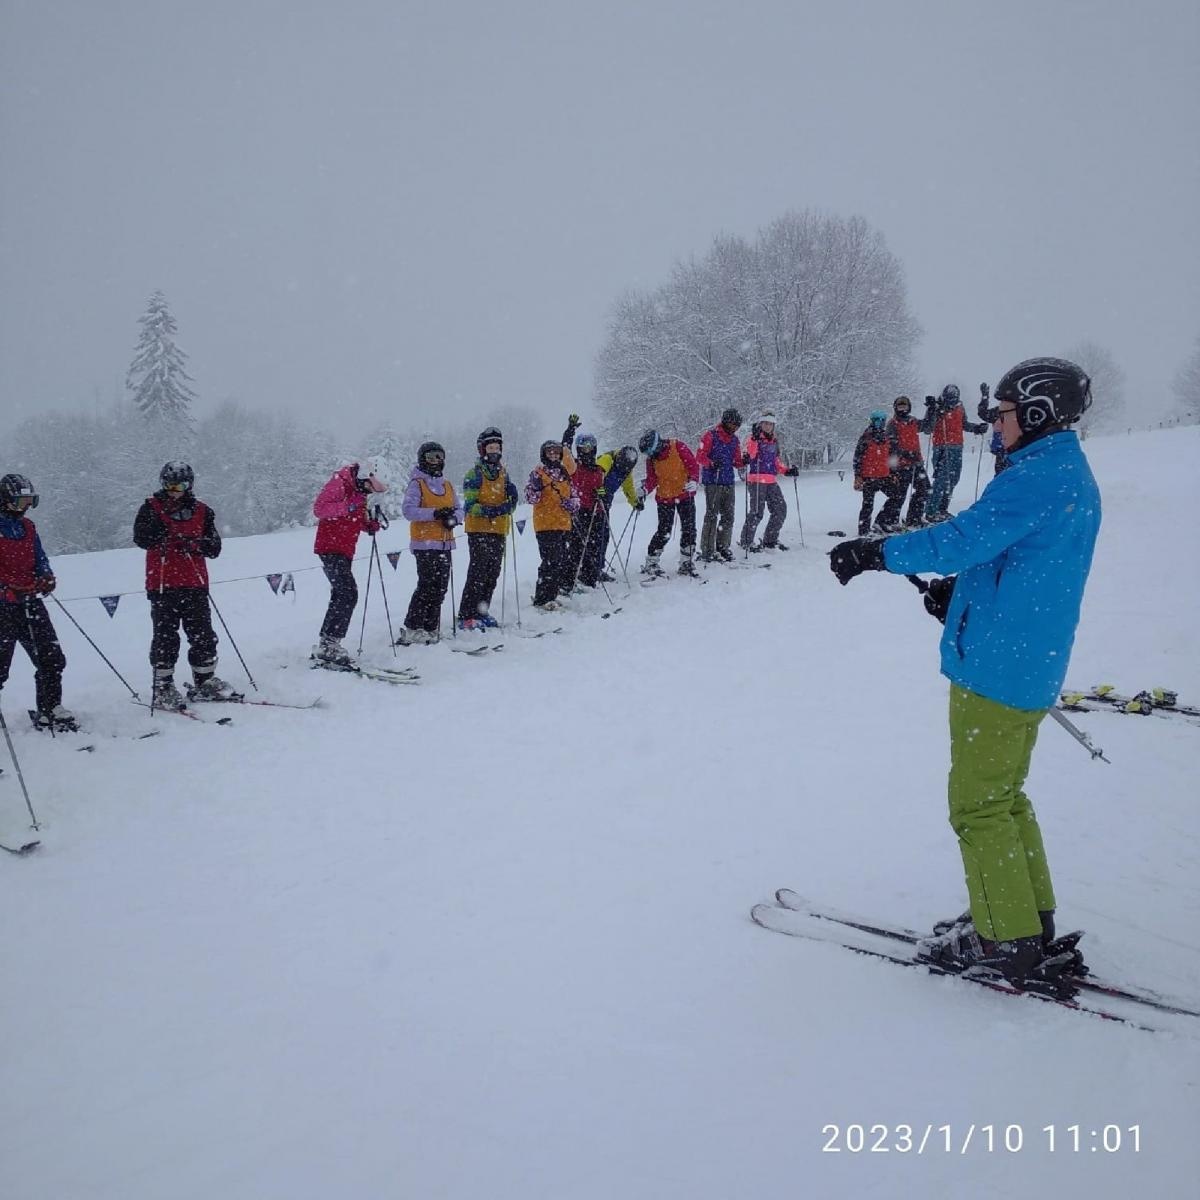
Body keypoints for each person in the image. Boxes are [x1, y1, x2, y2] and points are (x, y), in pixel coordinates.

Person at [828, 358, 1099, 996]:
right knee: (1005, 797)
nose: (993, 426)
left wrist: (877, 552)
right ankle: (1023, 918)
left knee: (977, 805)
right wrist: (963, 595)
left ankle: (1004, 938)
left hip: (999, 670)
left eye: (1002, 414)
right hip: (1024, 656)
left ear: (1035, 414)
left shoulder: (1034, 479)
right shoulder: (1061, 473)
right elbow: (1021, 562)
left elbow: (964, 538)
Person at [133, 461, 234, 707]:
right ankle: (163, 686)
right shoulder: (151, 508)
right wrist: (163, 536)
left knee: (203, 635)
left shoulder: (203, 511)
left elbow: (215, 547)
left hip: (194, 582)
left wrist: (197, 544)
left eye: (180, 485)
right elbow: (141, 538)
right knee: (165, 636)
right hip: (162, 584)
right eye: (170, 484)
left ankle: (205, 680)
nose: (175, 490)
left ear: (189, 485)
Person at [0, 474, 73, 731]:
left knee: (50, 656)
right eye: (20, 501)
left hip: (30, 601)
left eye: (29, 501)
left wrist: (46, 575)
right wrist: (6, 587)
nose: (26, 506)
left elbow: (38, 555)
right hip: (3, 606)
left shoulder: (28, 527)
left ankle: (50, 707)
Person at [310, 461, 385, 668]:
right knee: (348, 593)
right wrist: (348, 505)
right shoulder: (340, 484)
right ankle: (329, 644)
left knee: (341, 593)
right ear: (362, 479)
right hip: (329, 547)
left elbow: (355, 519)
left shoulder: (359, 493)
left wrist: (369, 525)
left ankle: (327, 642)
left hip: (344, 549)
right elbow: (319, 509)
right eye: (370, 486)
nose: (370, 491)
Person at [398, 442, 463, 644]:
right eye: (431, 457)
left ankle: (430, 626)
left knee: (441, 587)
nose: (436, 461)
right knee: (427, 585)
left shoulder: (448, 485)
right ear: (422, 459)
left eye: (439, 456)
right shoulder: (417, 484)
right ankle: (413, 627)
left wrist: (454, 518)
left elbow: (460, 509)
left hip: (445, 543)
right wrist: (434, 513)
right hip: (424, 543)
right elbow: (409, 511)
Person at [458, 427, 519, 630]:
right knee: (478, 571)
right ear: (482, 450)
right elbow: (470, 505)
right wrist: (491, 510)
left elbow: (510, 501)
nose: (494, 451)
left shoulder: (503, 472)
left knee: (493, 572)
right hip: (479, 529)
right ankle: (467, 614)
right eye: (490, 447)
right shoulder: (474, 474)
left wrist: (511, 502)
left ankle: (482, 611)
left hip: (499, 530)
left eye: (497, 447)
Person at [637, 429, 700, 576]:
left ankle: (686, 562)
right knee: (664, 530)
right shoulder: (651, 460)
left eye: (651, 452)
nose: (651, 456)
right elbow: (652, 479)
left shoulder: (677, 446)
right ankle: (651, 562)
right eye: (648, 454)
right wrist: (645, 489)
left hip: (685, 494)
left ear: (658, 444)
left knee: (689, 529)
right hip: (665, 498)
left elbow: (693, 466)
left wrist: (694, 481)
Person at [920, 385, 988, 521]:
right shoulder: (938, 407)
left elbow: (964, 424)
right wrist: (932, 409)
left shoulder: (960, 407)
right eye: (949, 399)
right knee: (942, 479)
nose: (951, 402)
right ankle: (931, 511)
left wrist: (976, 428)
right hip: (942, 446)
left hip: (957, 447)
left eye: (954, 399)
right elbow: (928, 429)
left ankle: (942, 508)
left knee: (953, 479)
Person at [526, 438, 579, 608]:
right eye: (550, 452)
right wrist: (535, 487)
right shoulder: (538, 473)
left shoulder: (565, 474)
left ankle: (552, 595)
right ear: (544, 454)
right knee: (550, 561)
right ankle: (542, 597)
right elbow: (531, 498)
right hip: (545, 524)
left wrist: (573, 504)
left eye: (556, 452)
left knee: (561, 561)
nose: (554, 455)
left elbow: (575, 496)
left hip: (563, 524)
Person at [738, 411, 799, 551]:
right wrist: (754, 439)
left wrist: (787, 471)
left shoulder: (774, 441)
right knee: (757, 513)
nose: (768, 426)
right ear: (760, 424)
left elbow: (776, 461)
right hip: (756, 480)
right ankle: (746, 542)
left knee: (780, 509)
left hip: (771, 480)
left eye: (771, 424)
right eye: (765, 423)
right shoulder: (753, 438)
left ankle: (770, 540)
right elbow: (750, 455)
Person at [696, 407, 745, 562]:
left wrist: (744, 461)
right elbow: (699, 456)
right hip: (713, 481)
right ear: (725, 422)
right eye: (732, 425)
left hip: (728, 481)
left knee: (728, 515)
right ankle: (707, 549)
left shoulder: (735, 440)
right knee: (711, 515)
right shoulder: (711, 436)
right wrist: (710, 463)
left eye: (737, 426)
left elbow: (736, 461)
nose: (734, 428)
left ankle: (723, 546)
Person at [564, 427, 609, 589]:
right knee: (576, 547)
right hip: (578, 511)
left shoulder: (597, 470)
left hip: (595, 511)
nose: (586, 451)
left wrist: (601, 493)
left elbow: (600, 488)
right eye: (583, 448)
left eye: (589, 448)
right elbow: (565, 452)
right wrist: (569, 432)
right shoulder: (574, 466)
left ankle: (589, 577)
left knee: (594, 546)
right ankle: (569, 579)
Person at [884, 396, 931, 527]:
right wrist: (904, 453)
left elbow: (928, 427)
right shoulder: (893, 424)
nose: (902, 409)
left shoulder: (913, 421)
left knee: (925, 489)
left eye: (905, 406)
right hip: (900, 466)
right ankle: (890, 521)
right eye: (900, 406)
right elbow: (890, 446)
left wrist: (931, 409)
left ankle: (914, 518)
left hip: (916, 463)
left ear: (909, 407)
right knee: (899, 494)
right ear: (895, 408)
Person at [851, 410, 899, 534]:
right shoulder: (866, 437)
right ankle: (863, 532)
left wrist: (893, 473)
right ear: (872, 421)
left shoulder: (887, 437)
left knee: (896, 496)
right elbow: (857, 457)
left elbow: (891, 457)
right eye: (877, 420)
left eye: (882, 420)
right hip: (868, 477)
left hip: (884, 476)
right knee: (867, 505)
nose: (879, 423)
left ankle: (880, 522)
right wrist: (858, 476)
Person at [977, 383, 1010, 475]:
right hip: (1001, 450)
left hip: (1013, 449)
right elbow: (983, 413)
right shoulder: (997, 412)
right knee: (1001, 475)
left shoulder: (1020, 410)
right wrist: (984, 397)